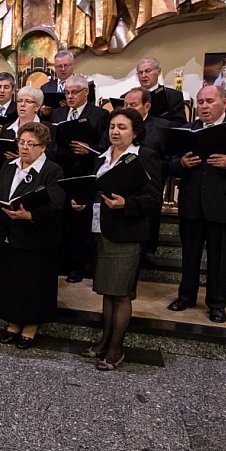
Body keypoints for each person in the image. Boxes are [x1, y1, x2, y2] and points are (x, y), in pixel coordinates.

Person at [167, 85, 226, 323]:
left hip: (224, 204)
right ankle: (186, 296)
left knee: (220, 259)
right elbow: (169, 163)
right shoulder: (187, 130)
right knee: (189, 255)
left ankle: (217, 304)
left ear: (224, 103)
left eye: (209, 101)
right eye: (200, 102)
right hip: (192, 203)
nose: (204, 106)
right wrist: (182, 163)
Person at [74, 108, 162, 370]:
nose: (115, 131)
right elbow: (97, 191)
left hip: (126, 233)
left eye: (122, 127)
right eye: (112, 126)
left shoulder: (143, 157)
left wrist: (127, 203)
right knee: (107, 291)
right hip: (101, 229)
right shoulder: (102, 157)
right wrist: (83, 202)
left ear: (135, 131)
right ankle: (104, 341)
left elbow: (154, 199)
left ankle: (115, 349)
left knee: (121, 293)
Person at [0, 122, 64, 349]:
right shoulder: (9, 166)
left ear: (43, 147)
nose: (25, 148)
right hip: (8, 235)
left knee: (33, 283)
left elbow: (57, 205)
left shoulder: (51, 170)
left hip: (36, 238)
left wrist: (30, 215)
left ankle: (31, 325)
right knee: (11, 281)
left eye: (31, 144)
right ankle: (13, 320)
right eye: (22, 143)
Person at [50, 75, 109, 283]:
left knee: (79, 225)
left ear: (86, 92)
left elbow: (104, 147)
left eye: (74, 92)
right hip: (61, 171)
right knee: (60, 220)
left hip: (84, 172)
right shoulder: (58, 113)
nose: (70, 96)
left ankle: (77, 266)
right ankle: (61, 262)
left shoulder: (100, 114)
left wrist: (89, 150)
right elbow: (51, 143)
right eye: (67, 92)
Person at [122, 87, 171, 259]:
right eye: (125, 104)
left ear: (147, 106)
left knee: (149, 219)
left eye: (133, 104)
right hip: (124, 185)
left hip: (150, 182)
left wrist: (151, 164)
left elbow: (169, 157)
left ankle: (148, 251)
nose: (127, 108)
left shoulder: (161, 127)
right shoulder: (117, 126)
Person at [135, 57, 186, 126]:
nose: (143, 76)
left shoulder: (174, 96)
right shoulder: (127, 97)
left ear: (158, 71)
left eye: (148, 71)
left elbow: (180, 124)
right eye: (140, 72)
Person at [39, 49, 75, 118]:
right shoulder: (45, 88)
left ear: (73, 64)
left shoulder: (81, 85)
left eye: (66, 65)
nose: (63, 69)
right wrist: (42, 111)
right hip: (51, 123)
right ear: (55, 67)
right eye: (59, 66)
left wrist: (71, 106)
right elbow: (38, 110)